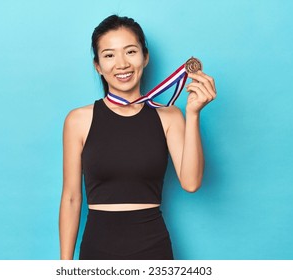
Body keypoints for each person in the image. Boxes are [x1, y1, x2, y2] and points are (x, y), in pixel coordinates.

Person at [59, 15, 216, 260]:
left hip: (153, 249)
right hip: (97, 250)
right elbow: (70, 198)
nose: (121, 64)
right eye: (109, 55)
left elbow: (191, 183)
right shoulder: (78, 120)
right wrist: (64, 268)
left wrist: (193, 114)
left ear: (145, 57)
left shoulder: (169, 116)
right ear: (98, 66)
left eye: (130, 51)